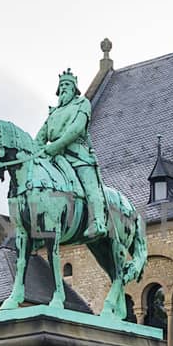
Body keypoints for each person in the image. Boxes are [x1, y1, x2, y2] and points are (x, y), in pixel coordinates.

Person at [36, 69, 108, 237]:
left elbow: (76, 129)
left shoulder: (82, 104)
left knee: (90, 186)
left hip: (77, 156)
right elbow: (40, 137)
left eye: (67, 85)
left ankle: (98, 222)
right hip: (55, 159)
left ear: (74, 88)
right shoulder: (53, 113)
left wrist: (56, 145)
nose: (63, 88)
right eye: (61, 85)